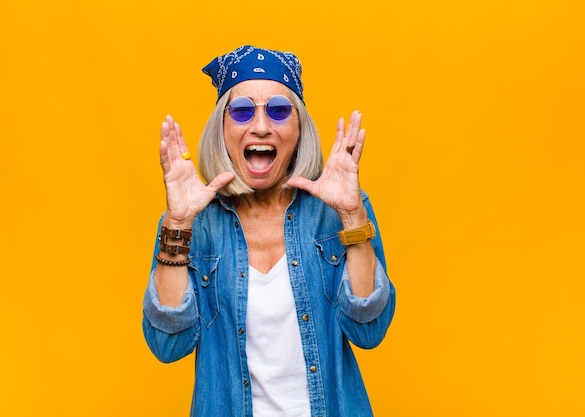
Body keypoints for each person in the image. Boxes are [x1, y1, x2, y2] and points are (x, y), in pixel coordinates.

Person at [142, 45, 396, 417]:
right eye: (243, 111)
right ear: (223, 129)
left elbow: (368, 332)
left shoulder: (339, 212)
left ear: (298, 128)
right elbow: (168, 344)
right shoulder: (193, 224)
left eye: (278, 110)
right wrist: (178, 225)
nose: (261, 125)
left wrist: (352, 216)